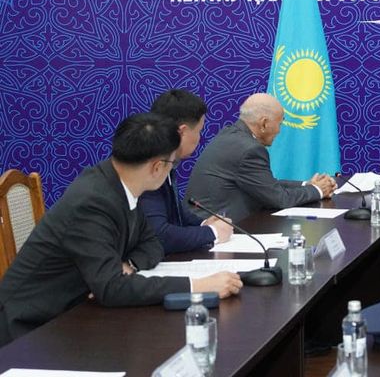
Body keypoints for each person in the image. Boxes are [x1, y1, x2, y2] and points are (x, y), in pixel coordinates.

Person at [0, 113, 243, 344]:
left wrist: (130, 264)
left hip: (76, 313)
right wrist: (197, 286)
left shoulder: (121, 184)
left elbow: (152, 243)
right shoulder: (92, 202)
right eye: (171, 164)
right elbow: (111, 288)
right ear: (157, 167)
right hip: (30, 328)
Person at [186, 93, 337, 221]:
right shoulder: (249, 149)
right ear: (264, 124)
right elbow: (279, 199)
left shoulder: (232, 134)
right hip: (214, 230)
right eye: (280, 124)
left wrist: (306, 184)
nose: (279, 131)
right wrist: (318, 190)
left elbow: (266, 185)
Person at [138, 89, 233, 254]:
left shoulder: (166, 160)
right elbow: (158, 235)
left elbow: (175, 214)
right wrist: (213, 233)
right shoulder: (149, 166)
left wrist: (204, 223)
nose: (199, 138)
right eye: (199, 131)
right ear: (181, 132)